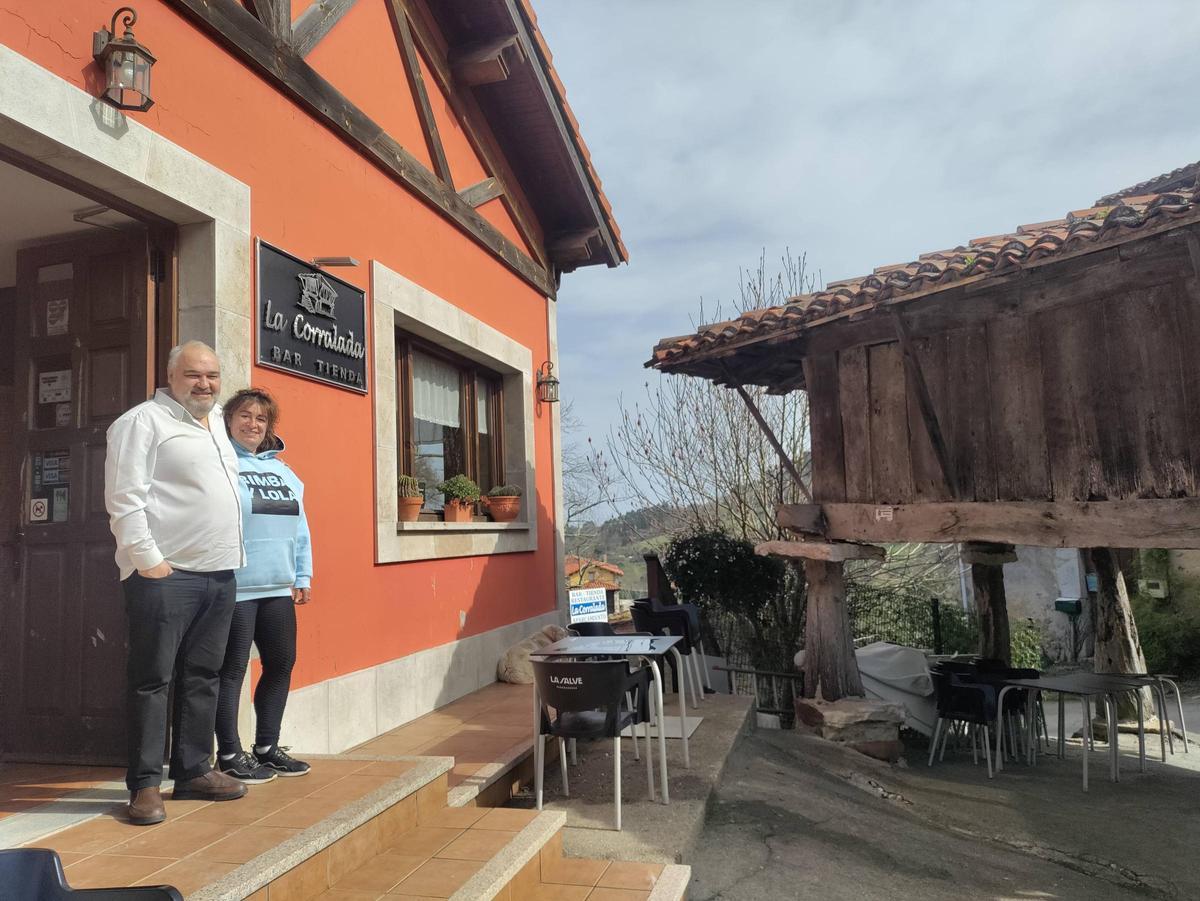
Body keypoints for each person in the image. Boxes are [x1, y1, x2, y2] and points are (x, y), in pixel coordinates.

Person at [104, 340, 248, 826]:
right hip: (166, 576)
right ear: (170, 376)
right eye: (193, 375)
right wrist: (148, 561)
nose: (204, 384)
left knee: (204, 676)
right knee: (152, 680)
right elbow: (124, 498)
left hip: (219, 573)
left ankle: (193, 771)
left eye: (212, 375)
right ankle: (145, 785)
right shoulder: (142, 422)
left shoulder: (218, 424)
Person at [214, 387, 313, 782]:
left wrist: (302, 574)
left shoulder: (286, 473)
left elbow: (300, 526)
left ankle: (267, 748)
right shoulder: (221, 463)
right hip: (236, 586)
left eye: (261, 418)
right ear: (229, 421)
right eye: (245, 415)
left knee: (281, 663)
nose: (252, 424)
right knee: (231, 671)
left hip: (277, 586)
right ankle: (228, 754)